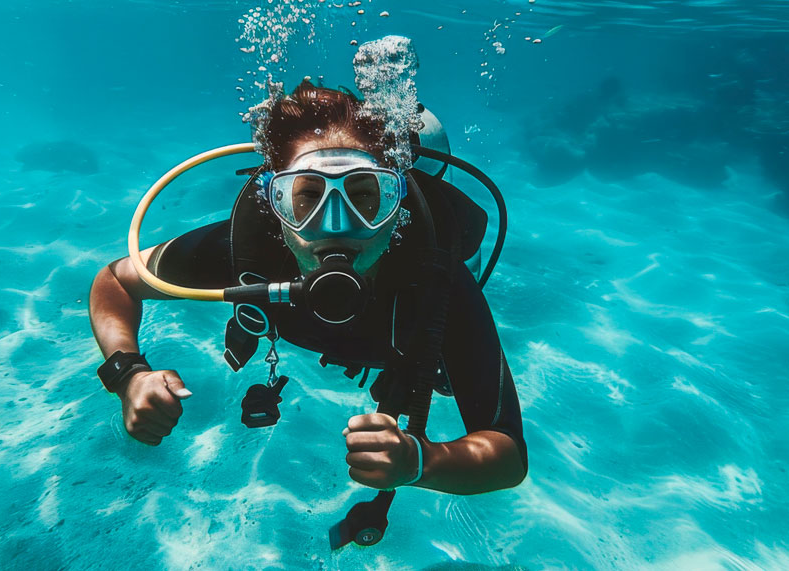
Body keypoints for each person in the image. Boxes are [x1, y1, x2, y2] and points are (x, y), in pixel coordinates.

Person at [89, 81, 527, 502]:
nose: (335, 225)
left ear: (396, 207)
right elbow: (114, 282)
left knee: (440, 378)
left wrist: (421, 461)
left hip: (412, 335)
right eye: (307, 197)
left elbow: (508, 455)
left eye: (364, 196)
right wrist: (129, 375)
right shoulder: (246, 249)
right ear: (274, 204)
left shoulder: (438, 284)